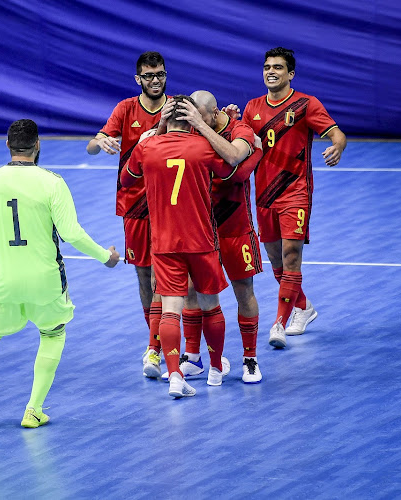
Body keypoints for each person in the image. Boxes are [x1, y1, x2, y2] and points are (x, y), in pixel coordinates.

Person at [0, 119, 120, 432]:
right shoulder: (52, 182)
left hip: (3, 281)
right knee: (53, 334)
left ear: (8, 146)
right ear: (38, 145)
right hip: (46, 282)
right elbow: (72, 234)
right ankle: (33, 410)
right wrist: (106, 257)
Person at [121, 95, 239, 398]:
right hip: (201, 241)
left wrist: (156, 133)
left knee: (170, 309)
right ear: (191, 119)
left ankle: (174, 375)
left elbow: (127, 179)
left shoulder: (147, 147)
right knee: (211, 306)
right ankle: (214, 370)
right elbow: (229, 170)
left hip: (164, 242)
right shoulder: (203, 146)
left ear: (164, 118)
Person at [242, 47, 347, 348]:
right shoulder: (252, 108)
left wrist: (338, 147)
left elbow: (337, 134)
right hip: (263, 194)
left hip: (295, 192)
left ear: (291, 74)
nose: (270, 71)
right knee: (275, 259)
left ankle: (278, 323)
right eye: (266, 67)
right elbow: (241, 142)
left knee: (291, 257)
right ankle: (304, 307)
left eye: (277, 67)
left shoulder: (305, 104)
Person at [171, 90, 265, 383]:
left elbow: (234, 161)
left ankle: (250, 359)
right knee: (191, 291)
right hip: (202, 230)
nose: (193, 123)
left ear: (213, 114)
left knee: (243, 292)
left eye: (200, 118)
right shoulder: (192, 129)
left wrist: (200, 126)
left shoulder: (240, 129)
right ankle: (195, 357)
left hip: (235, 229)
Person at [86, 51, 170, 375]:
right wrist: (99, 141)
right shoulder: (125, 109)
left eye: (160, 74)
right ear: (138, 79)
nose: (155, 81)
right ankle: (156, 344)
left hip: (169, 203)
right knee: (144, 275)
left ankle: (161, 347)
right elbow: (93, 146)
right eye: (148, 76)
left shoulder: (175, 107)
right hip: (134, 204)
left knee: (167, 275)